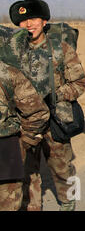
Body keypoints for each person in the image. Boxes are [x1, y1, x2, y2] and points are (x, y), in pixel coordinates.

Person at [7, 0, 85, 211]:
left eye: (33, 19)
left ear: (44, 21)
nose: (29, 24)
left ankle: (70, 200)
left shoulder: (60, 49)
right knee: (26, 171)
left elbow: (79, 83)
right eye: (23, 21)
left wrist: (55, 95)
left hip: (55, 119)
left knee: (62, 167)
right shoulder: (12, 53)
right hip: (25, 123)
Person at [0, 60, 50, 211]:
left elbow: (37, 112)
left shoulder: (8, 74)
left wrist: (24, 142)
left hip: (5, 149)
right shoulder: (9, 72)